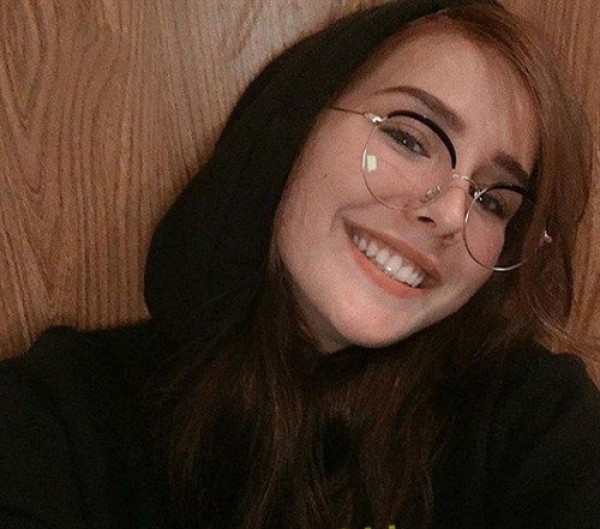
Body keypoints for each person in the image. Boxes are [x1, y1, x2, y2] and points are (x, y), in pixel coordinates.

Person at [0, 0, 598, 528]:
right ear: (293, 125)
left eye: (492, 201)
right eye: (410, 139)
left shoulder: (533, 424)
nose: (449, 214)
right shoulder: (64, 418)